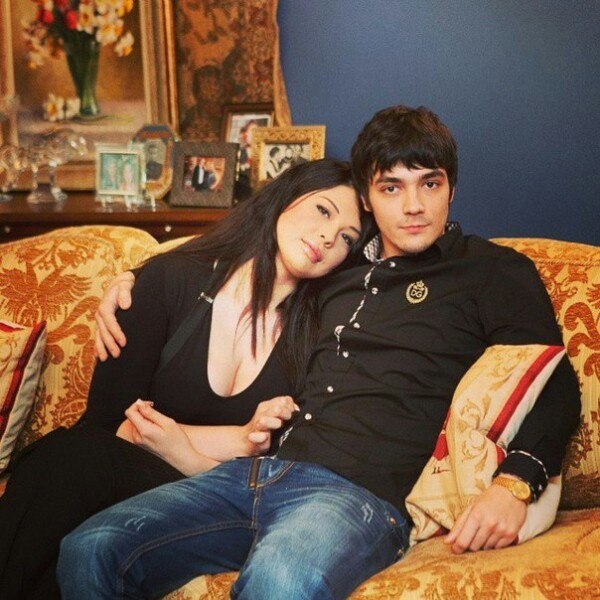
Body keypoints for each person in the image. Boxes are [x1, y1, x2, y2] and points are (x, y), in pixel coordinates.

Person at [59, 105, 580, 600]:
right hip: (252, 476)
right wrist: (133, 277)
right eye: (391, 187)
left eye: (430, 183)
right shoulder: (333, 270)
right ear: (368, 199)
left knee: (279, 581)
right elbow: (237, 254)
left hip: (357, 498)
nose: (414, 206)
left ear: (452, 189)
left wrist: (514, 484)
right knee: (91, 548)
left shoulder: (490, 271)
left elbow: (554, 383)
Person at [0, 159, 363, 600]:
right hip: (120, 474)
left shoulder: (322, 333)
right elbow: (114, 427)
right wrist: (235, 439)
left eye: (348, 237)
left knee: (69, 465)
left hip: (219, 502)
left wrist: (187, 451)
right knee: (67, 462)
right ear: (286, 195)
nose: (328, 237)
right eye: (323, 210)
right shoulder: (171, 280)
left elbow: (279, 463)